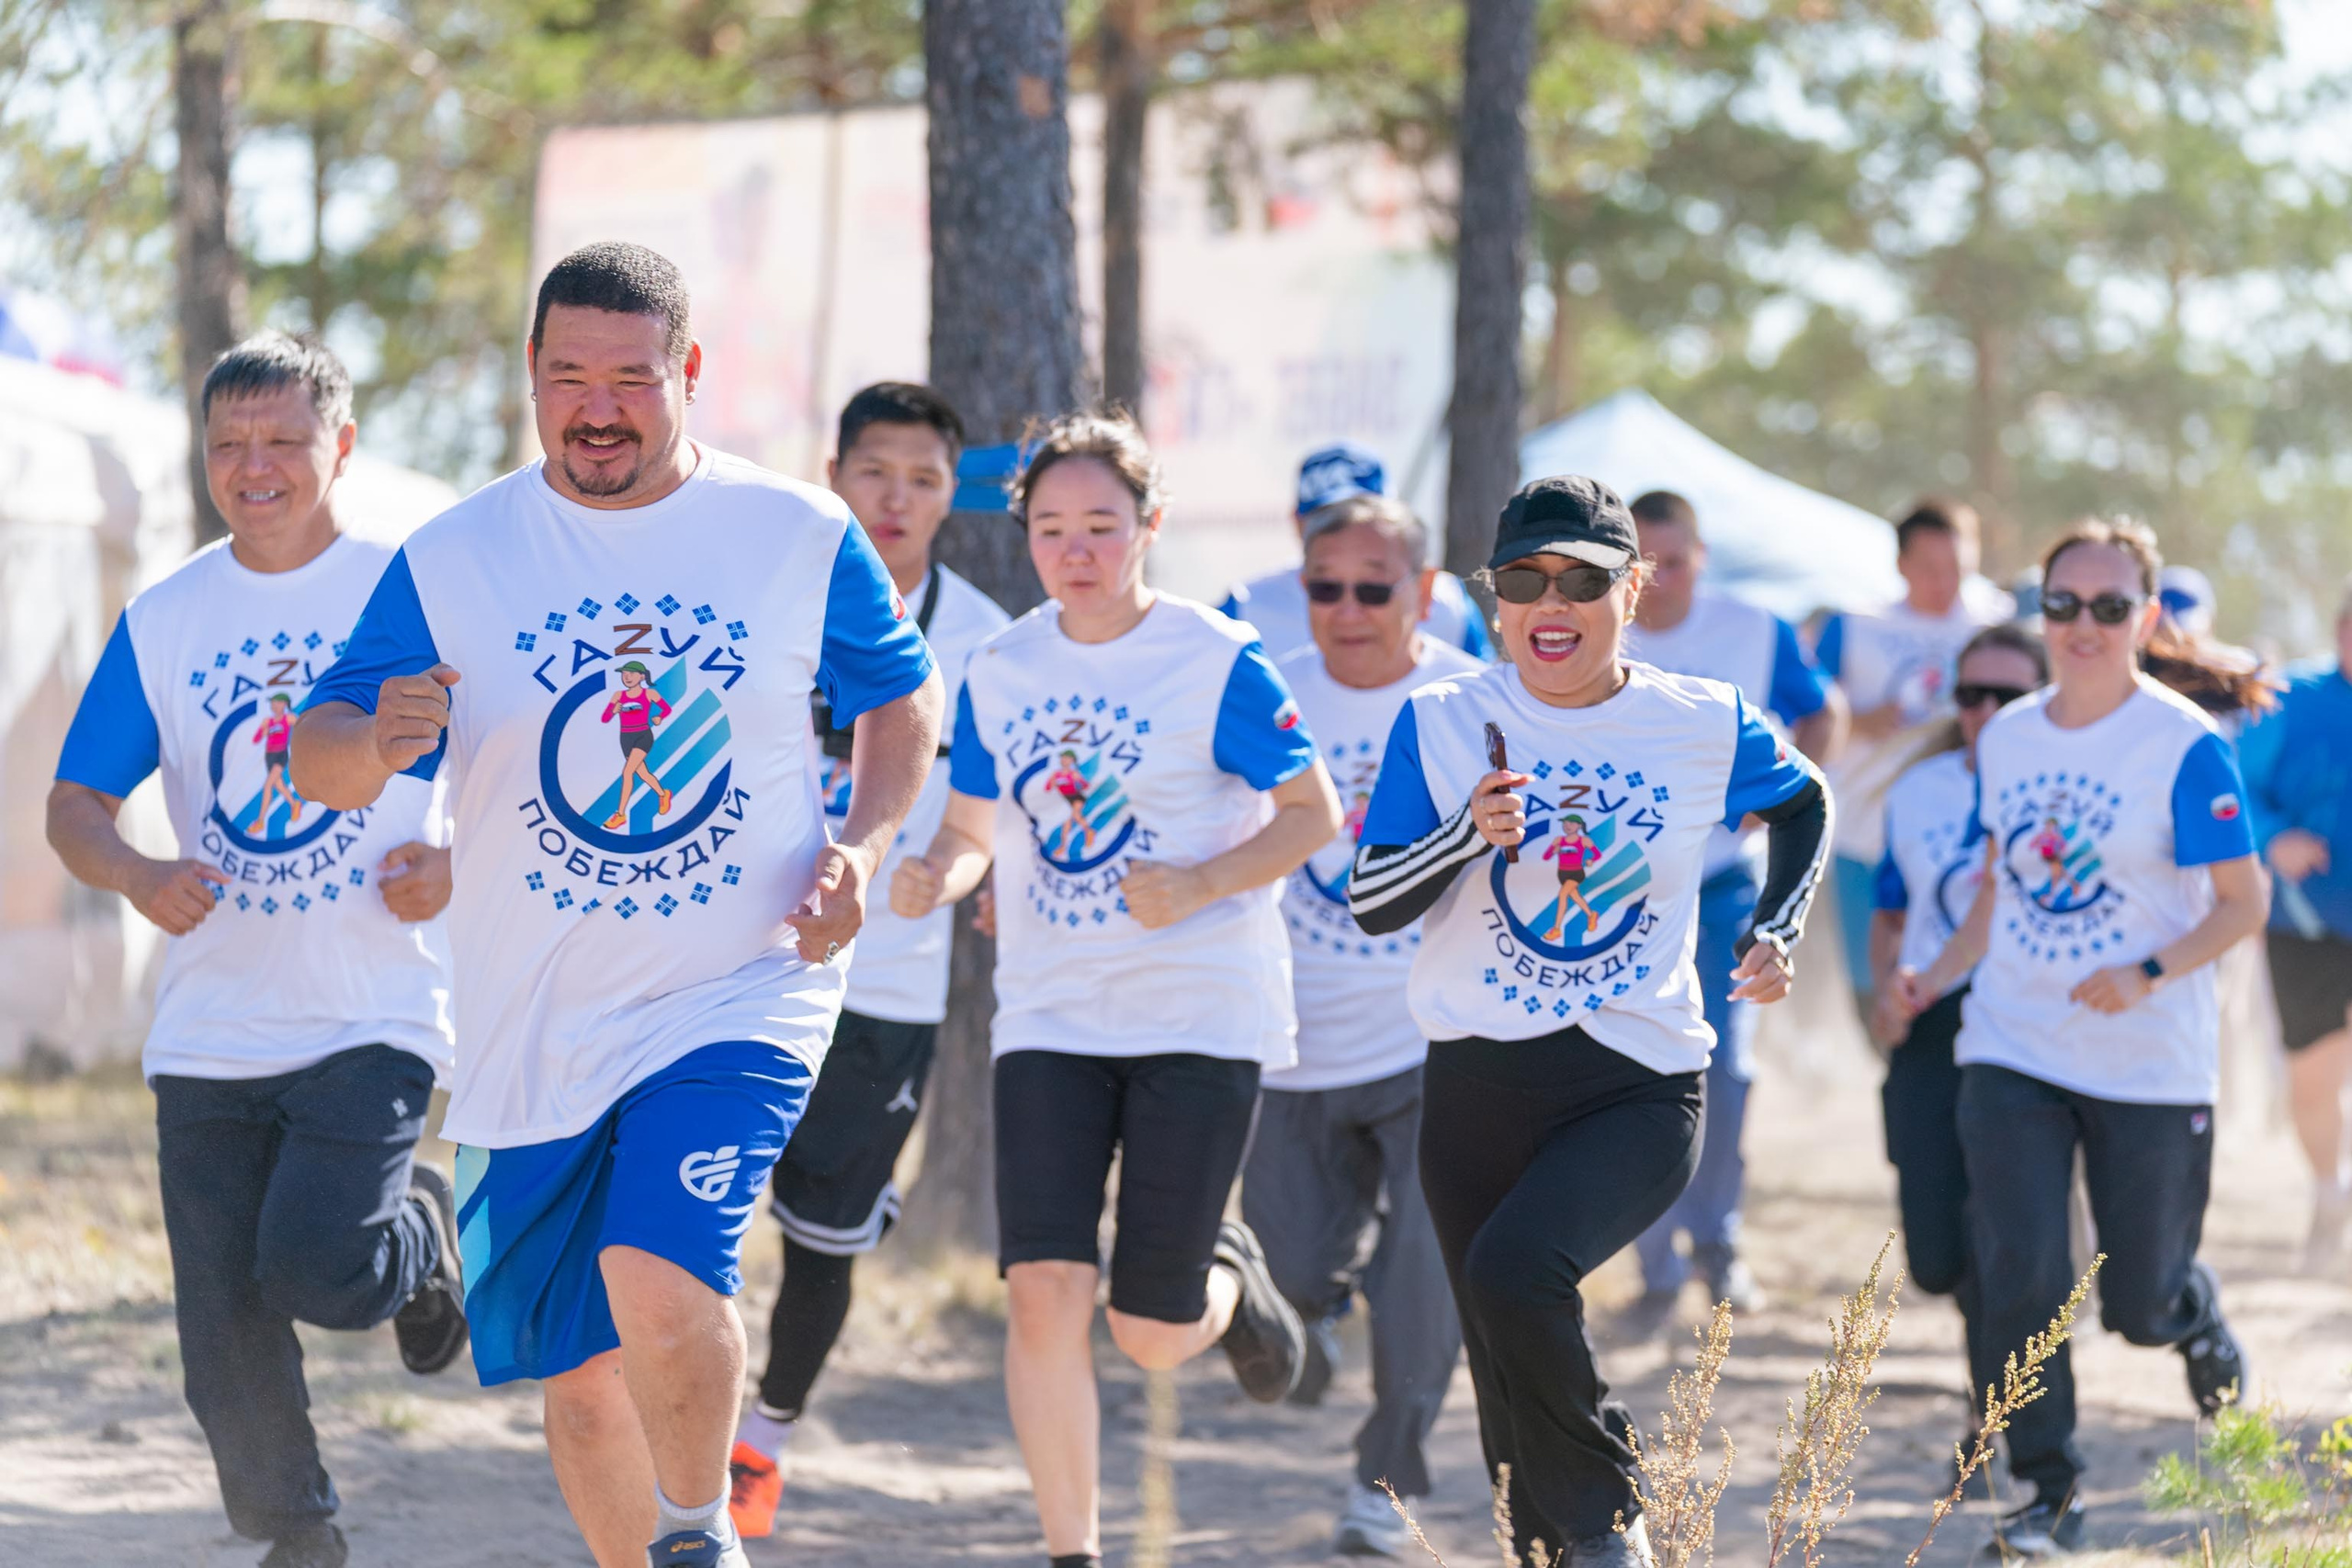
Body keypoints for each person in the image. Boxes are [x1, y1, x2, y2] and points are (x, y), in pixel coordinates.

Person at [293, 243, 944, 1568]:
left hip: (739, 983)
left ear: (688, 374)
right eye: (569, 374)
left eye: (632, 377)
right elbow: (317, 753)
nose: (599, 405)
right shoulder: (455, 554)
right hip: (533, 1017)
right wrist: (376, 739)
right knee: (580, 1379)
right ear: (530, 374)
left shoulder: (793, 533)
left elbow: (900, 703)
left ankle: (701, 1531)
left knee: (659, 1270)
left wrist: (864, 850)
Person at [1348, 475, 1833, 1566]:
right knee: (1505, 1388)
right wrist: (1468, 836)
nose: (1549, 601)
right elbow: (1374, 901)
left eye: (1581, 577)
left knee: (1516, 1274)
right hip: (1473, 1083)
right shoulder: (1440, 720)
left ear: (1635, 588)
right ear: (1493, 599)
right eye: (1523, 579)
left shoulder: (1701, 720)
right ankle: (1563, 1543)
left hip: (1636, 1077)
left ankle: (1616, 1519)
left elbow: (1804, 802)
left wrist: (1778, 928)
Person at [890, 410, 1340, 1568]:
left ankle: (1229, 1285)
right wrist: (944, 871)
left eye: (1101, 525)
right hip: (1049, 1013)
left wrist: (1198, 883)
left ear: (1148, 527)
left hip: (1199, 1009)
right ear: (1025, 538)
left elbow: (1311, 817)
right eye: (1050, 529)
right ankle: (1072, 1551)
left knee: (1146, 1334)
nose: (1075, 550)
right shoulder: (1003, 665)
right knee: (1043, 1286)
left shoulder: (1212, 656)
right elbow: (977, 825)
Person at [46, 332, 464, 1568]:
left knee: (325, 1268)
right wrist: (135, 870)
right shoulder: (167, 617)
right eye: (230, 443)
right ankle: (299, 1529)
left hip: (370, 1007)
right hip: (211, 1024)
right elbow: (74, 804)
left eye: (285, 439)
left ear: (341, 446)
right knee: (221, 1324)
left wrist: (454, 866)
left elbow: (508, 779)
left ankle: (423, 1239)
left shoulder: (416, 591)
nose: (256, 466)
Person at [1905, 518, 2265, 1559]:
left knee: (2135, 1303)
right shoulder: (2009, 736)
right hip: (2012, 1042)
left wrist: (2146, 972)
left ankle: (2187, 1312)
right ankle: (2047, 1492)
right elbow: (1996, 887)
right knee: (2017, 1268)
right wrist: (1936, 975)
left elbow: (2242, 904)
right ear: (2042, 613)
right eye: (2063, 605)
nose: (2083, 625)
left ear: (2145, 620)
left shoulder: (2186, 747)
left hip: (2149, 1060)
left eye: (2110, 608)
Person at [726, 382, 1011, 1540]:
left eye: (924, 479)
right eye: (875, 471)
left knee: (821, 1235)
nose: (896, 498)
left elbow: (988, 824)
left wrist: (948, 877)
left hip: (884, 982)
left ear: (952, 495)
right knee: (698, 1212)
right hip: (733, 963)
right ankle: (681, 1421)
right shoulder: (763, 598)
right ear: (832, 471)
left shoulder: (985, 639)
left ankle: (767, 1434)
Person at [1243, 493, 1476, 1559]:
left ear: (1423, 593)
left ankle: (1387, 1479)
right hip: (1290, 1044)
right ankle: (1318, 1319)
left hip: (1436, 1041)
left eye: (1372, 588)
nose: (1345, 608)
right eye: (1324, 586)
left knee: (1427, 1269)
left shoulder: (1471, 704)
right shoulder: (1265, 697)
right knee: (1284, 1277)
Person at [1619, 489, 1840, 1322]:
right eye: (1643, 564)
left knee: (1726, 1068)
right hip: (1621, 891)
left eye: (1675, 561)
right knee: (1634, 1065)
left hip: (1724, 882)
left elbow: (1825, 713)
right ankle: (1653, 1261)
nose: (1660, 580)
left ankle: (1718, 1240)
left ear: (1701, 557)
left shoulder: (1754, 627)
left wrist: (1778, 798)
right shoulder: (1596, 625)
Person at [1866, 623, 2049, 1459]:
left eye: (2005, 696)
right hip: (1932, 1024)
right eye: (1970, 694)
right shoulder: (1921, 789)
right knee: (1938, 1256)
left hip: (2025, 1027)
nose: (1983, 711)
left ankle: (2001, 1418)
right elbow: (1893, 909)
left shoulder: (2061, 779)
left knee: (2000, 1235)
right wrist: (1885, 1000)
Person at [1815, 498, 2007, 1020]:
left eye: (1957, 570)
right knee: (1870, 983)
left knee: (1965, 975)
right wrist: (1860, 720)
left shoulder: (1999, 630)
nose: (1944, 583)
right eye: (1929, 569)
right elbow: (1808, 715)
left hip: (1964, 839)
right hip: (1867, 832)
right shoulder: (1855, 626)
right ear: (1900, 563)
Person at [2238, 574, 2352, 1271]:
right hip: (2305, 922)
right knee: (2312, 1076)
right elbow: (2234, 789)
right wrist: (2274, 834)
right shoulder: (2289, 698)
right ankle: (2328, 1189)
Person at [1220, 443, 1495, 662]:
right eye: (1326, 520)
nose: (1348, 531)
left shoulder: (1449, 601)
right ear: (1296, 522)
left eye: (1366, 515)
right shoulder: (1246, 605)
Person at [250, 690, 306, 829]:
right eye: (272, 703)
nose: (274, 706)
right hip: (269, 756)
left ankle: (260, 821)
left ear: (284, 704)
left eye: (277, 703)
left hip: (280, 755)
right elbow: (256, 739)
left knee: (268, 786)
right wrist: (264, 731)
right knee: (279, 785)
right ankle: (295, 804)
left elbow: (303, 727)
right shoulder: (267, 721)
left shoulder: (289, 718)